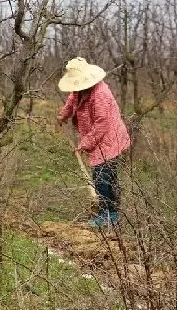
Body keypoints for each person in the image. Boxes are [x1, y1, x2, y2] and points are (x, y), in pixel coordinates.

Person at [57, 57, 131, 228]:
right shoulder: (79, 90)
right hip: (97, 137)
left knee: (102, 177)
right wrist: (64, 115)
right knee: (104, 176)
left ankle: (108, 215)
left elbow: (102, 124)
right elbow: (71, 101)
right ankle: (110, 212)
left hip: (109, 138)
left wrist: (84, 144)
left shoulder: (100, 94)